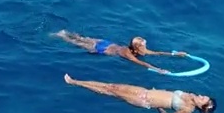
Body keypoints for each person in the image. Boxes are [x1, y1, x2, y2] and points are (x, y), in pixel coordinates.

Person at [64, 74, 216, 113]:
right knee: (112, 86)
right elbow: (169, 94)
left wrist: (158, 106)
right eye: (204, 96)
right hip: (145, 91)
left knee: (110, 92)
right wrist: (158, 91)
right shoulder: (190, 95)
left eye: (204, 99)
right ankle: (77, 81)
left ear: (202, 107)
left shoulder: (187, 110)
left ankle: (75, 82)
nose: (201, 96)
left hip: (144, 100)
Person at [54, 31, 184, 73]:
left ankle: (66, 32)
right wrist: (158, 70)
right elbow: (142, 64)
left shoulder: (137, 49)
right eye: (143, 46)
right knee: (76, 42)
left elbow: (157, 53)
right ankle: (61, 35)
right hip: (101, 49)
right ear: (137, 48)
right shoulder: (127, 54)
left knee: (82, 38)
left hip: (107, 43)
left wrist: (174, 54)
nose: (146, 48)